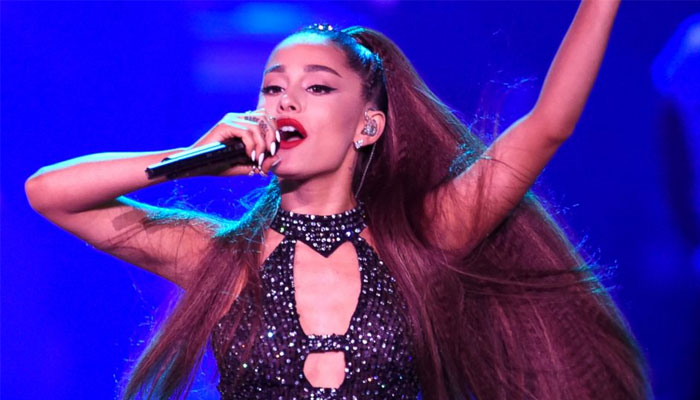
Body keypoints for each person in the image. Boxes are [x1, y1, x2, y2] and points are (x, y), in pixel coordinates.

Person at [25, 1, 650, 399]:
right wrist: (189, 157)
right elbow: (48, 193)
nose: (286, 102)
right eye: (272, 89)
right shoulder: (222, 259)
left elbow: (548, 124)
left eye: (318, 88)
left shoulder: (423, 236)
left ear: (368, 126)